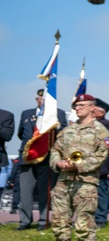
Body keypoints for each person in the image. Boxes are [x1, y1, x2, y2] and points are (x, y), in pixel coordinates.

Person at [43, 94, 109, 241]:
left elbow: (101, 155)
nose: (78, 108)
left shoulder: (100, 131)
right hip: (64, 181)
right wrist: (58, 163)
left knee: (84, 220)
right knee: (59, 218)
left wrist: (78, 166)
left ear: (92, 108)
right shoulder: (67, 130)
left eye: (82, 105)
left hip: (85, 182)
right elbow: (55, 150)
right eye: (76, 106)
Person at [17, 89, 68, 230]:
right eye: (40, 99)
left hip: (46, 157)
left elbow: (63, 133)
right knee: (25, 191)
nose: (42, 101)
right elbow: (22, 134)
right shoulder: (26, 113)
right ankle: (24, 221)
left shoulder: (59, 114)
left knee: (44, 191)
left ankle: (42, 220)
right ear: (36, 100)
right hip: (28, 157)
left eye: (46, 99)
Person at [92, 99, 109, 227]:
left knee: (101, 192)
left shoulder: (104, 124)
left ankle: (101, 218)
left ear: (101, 112)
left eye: (94, 108)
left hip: (100, 165)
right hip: (89, 164)